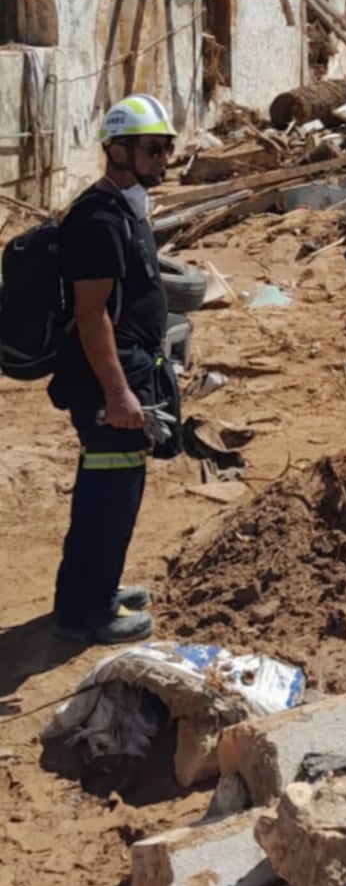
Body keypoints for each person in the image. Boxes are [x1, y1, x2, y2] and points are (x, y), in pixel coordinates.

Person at [48, 96, 185, 644]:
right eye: (153, 150)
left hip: (127, 374)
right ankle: (87, 611)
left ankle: (92, 589)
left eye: (166, 149)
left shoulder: (125, 211)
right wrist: (119, 393)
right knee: (107, 497)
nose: (163, 160)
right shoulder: (99, 220)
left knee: (116, 491)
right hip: (106, 385)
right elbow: (91, 314)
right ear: (118, 151)